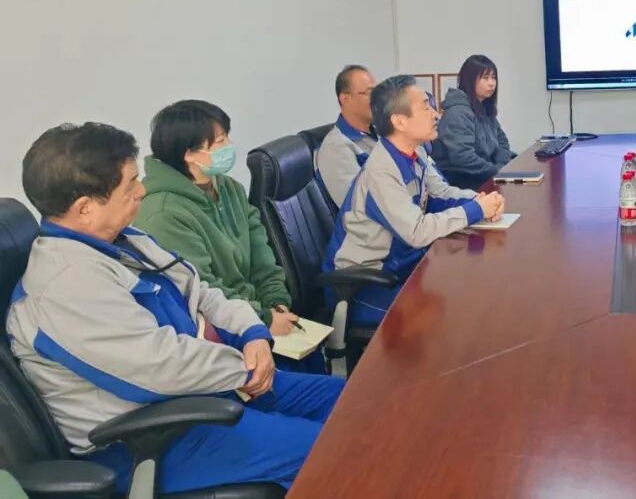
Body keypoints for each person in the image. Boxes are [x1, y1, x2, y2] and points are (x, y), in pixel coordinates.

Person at [7, 123, 344, 493]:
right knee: (337, 449)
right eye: (130, 185)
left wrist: (252, 333)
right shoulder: (66, 284)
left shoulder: (124, 241)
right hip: (151, 437)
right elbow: (158, 366)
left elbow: (201, 291)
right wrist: (245, 369)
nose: (142, 191)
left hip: (207, 390)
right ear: (85, 208)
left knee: (352, 404)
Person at [135, 101, 308, 362]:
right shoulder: (164, 213)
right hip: (219, 333)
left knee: (314, 361)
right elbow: (201, 289)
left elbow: (263, 258)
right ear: (189, 154)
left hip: (257, 315)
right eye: (220, 141)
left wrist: (276, 302)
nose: (229, 146)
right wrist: (263, 319)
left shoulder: (230, 189)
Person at [324, 75, 504, 326]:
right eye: (425, 107)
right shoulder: (380, 172)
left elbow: (439, 192)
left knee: (469, 288)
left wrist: (479, 199)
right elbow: (417, 232)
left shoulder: (413, 152)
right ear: (399, 121)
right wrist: (475, 210)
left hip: (401, 266)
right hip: (362, 284)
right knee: (448, 317)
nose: (436, 114)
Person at [430, 54, 514, 189]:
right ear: (469, 80)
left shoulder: (484, 108)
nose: (492, 83)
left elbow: (502, 141)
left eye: (493, 77)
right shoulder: (458, 112)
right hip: (463, 181)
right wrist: (496, 170)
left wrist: (501, 165)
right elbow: (463, 157)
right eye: (485, 78)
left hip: (485, 174)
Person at [315, 64, 378, 210]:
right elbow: (360, 207)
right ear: (345, 98)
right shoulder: (336, 148)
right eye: (369, 93)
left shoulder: (380, 133)